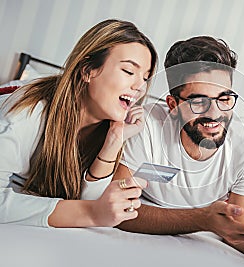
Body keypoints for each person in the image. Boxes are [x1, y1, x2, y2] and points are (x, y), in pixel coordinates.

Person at [107, 36, 244, 266]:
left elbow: (237, 233)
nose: (214, 114)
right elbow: (119, 209)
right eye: (199, 101)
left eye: (224, 98)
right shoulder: (146, 126)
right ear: (173, 105)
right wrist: (202, 219)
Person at [0, 19, 157, 227]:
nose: (140, 87)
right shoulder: (25, 113)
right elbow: (88, 209)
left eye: (145, 78)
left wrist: (113, 143)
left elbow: (86, 200)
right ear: (87, 70)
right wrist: (91, 214)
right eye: (129, 71)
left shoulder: (113, 128)